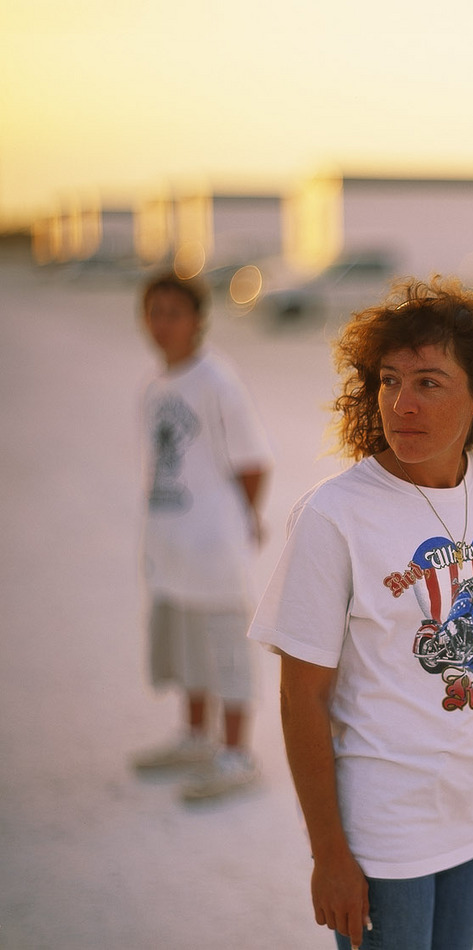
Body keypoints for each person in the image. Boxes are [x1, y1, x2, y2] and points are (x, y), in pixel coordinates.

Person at [249, 275, 473, 950]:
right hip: (384, 828)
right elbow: (302, 697)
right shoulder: (334, 516)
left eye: (429, 382)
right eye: (389, 380)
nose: (402, 403)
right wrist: (330, 855)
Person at [130, 270, 273, 802]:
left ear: (198, 320)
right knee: (185, 642)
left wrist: (246, 519)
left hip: (213, 543)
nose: (163, 323)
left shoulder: (217, 381)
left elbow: (254, 459)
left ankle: (236, 753)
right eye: (154, 311)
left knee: (225, 647)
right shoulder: (154, 384)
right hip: (170, 541)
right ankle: (195, 737)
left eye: (174, 312)